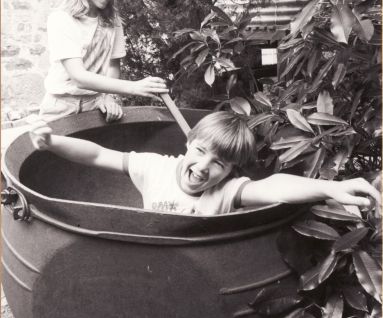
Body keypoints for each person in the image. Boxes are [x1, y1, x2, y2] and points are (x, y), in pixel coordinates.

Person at [29, 111, 381, 217]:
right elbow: (95, 154)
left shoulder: (226, 193)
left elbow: (274, 186)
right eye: (200, 152)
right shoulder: (155, 168)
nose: (203, 167)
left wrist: (332, 187)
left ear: (231, 172)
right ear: (187, 144)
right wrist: (52, 142)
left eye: (220, 164)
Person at [39, 0, 167, 123]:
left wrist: (107, 96)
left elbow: (113, 65)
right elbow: (78, 76)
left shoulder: (112, 20)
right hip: (60, 108)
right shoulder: (61, 19)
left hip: (95, 106)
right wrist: (133, 87)